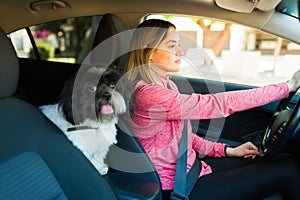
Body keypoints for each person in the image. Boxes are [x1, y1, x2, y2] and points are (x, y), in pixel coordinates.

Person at [124, 18, 300, 200]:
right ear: (149, 52)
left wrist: (226, 150)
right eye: (171, 46)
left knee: (268, 161)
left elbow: (182, 136)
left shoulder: (165, 85)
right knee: (288, 167)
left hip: (191, 170)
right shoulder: (150, 94)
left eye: (179, 45)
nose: (180, 51)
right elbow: (216, 104)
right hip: (178, 187)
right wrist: (287, 87)